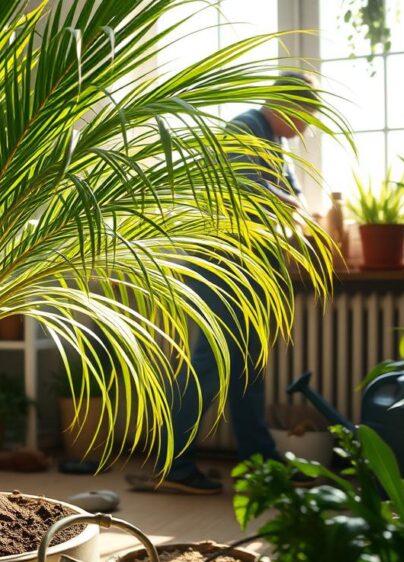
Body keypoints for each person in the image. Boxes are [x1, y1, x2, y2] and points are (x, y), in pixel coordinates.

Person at [128, 72, 318, 494]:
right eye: (306, 116)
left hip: (249, 269)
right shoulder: (245, 128)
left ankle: (261, 466)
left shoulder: (275, 142)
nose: (307, 127)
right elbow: (251, 189)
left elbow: (291, 194)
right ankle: (173, 466)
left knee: (248, 370)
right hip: (224, 266)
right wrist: (290, 206)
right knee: (209, 366)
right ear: (287, 104)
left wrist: (297, 214)